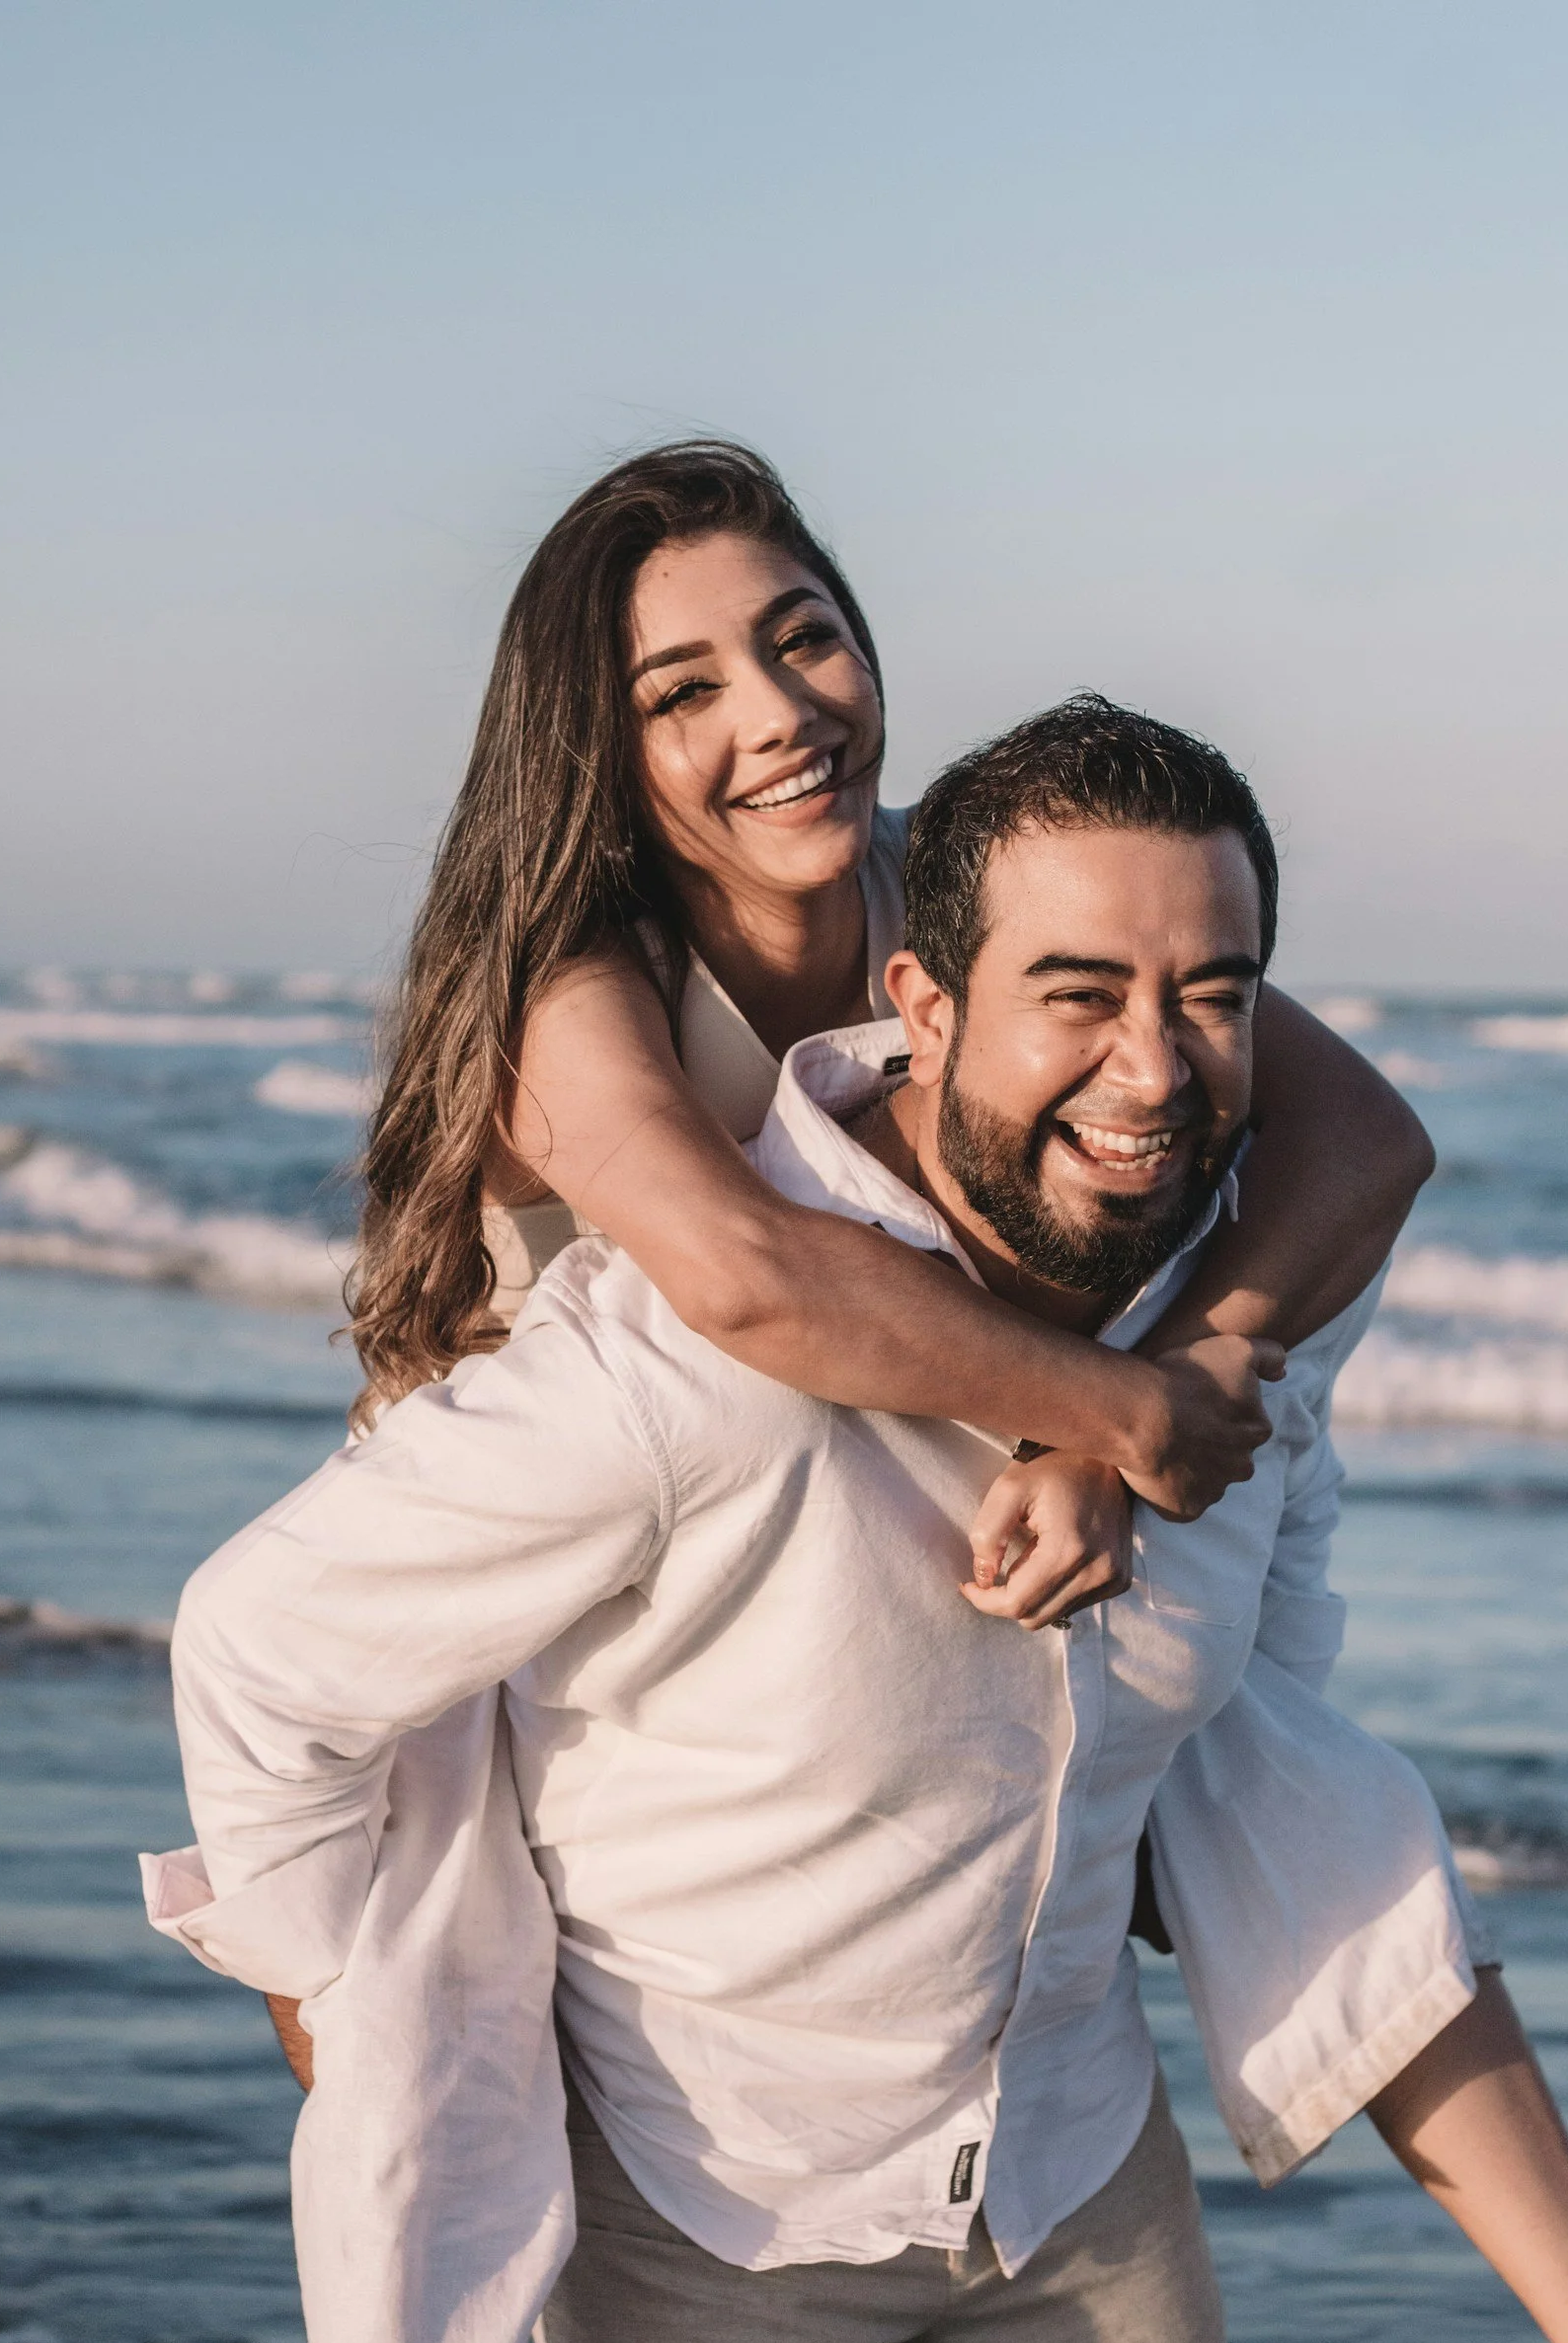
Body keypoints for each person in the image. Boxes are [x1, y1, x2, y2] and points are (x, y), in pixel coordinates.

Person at [144, 700, 1568, 2343]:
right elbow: (256, 1648)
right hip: (711, 2222)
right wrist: (341, 2012)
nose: (1151, 1069)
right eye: (1076, 994)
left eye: (1209, 997)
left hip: (1072, 2177)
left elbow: (1271, 1679)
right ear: (920, 1007)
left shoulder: (1252, 1329)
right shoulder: (680, 1364)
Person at [348, 440, 1431, 1636]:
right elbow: (747, 1275)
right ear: (598, 744)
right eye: (684, 690)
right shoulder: (572, 985)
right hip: (520, 1583)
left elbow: (1362, 1139)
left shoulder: (959, 880)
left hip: (825, 1542)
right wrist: (1123, 1417)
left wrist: (1132, 1410)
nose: (780, 712)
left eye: (801, 637)